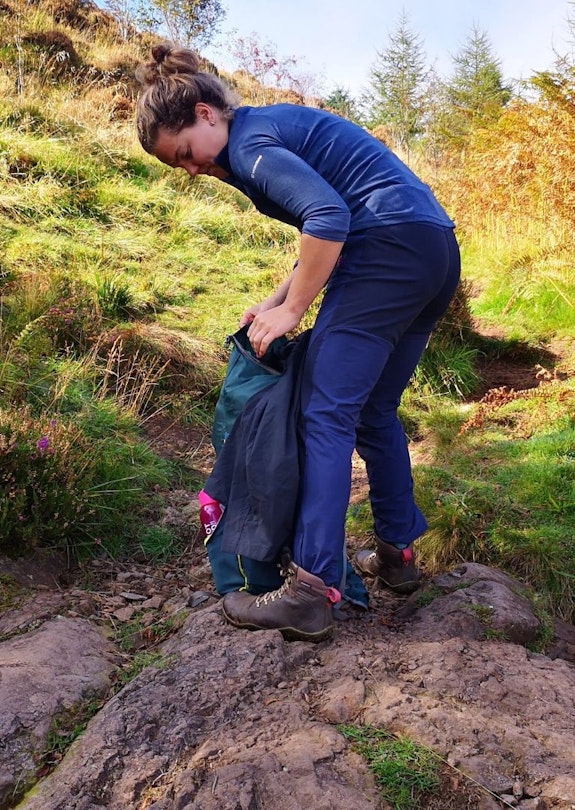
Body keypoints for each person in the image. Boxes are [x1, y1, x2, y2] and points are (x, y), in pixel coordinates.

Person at [136, 44, 461, 641]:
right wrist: (279, 295)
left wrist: (293, 309)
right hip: (433, 249)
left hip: (386, 250)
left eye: (184, 153)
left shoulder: (250, 143)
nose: (191, 170)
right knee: (373, 410)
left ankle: (310, 593)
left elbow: (330, 219)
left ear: (208, 114)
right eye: (177, 166)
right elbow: (331, 221)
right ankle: (397, 556)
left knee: (325, 414)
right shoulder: (268, 131)